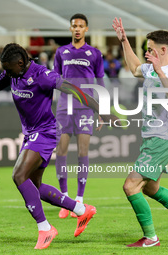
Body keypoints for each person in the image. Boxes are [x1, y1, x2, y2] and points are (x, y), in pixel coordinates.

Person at [0, 43, 117, 249]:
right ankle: (81, 210)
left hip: (46, 132)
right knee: (34, 187)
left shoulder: (44, 75)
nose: (7, 73)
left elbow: (75, 91)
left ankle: (45, 228)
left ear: (20, 63)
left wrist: (101, 110)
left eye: (9, 68)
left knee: (18, 175)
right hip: (30, 134)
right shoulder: (12, 73)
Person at [113, 17, 168, 247]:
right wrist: (124, 41)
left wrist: (160, 71)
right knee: (151, 188)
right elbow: (133, 68)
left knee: (130, 186)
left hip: (160, 140)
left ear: (163, 49)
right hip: (153, 138)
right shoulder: (152, 68)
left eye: (150, 49)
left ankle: (151, 237)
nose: (147, 53)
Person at [53, 14, 105, 219]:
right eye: (74, 26)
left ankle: (80, 199)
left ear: (86, 29)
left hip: (85, 108)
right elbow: (54, 80)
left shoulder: (94, 54)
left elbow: (100, 83)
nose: (77, 29)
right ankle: (64, 200)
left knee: (83, 152)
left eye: (80, 26)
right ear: (70, 28)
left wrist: (101, 110)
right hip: (64, 107)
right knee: (61, 150)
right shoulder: (61, 52)